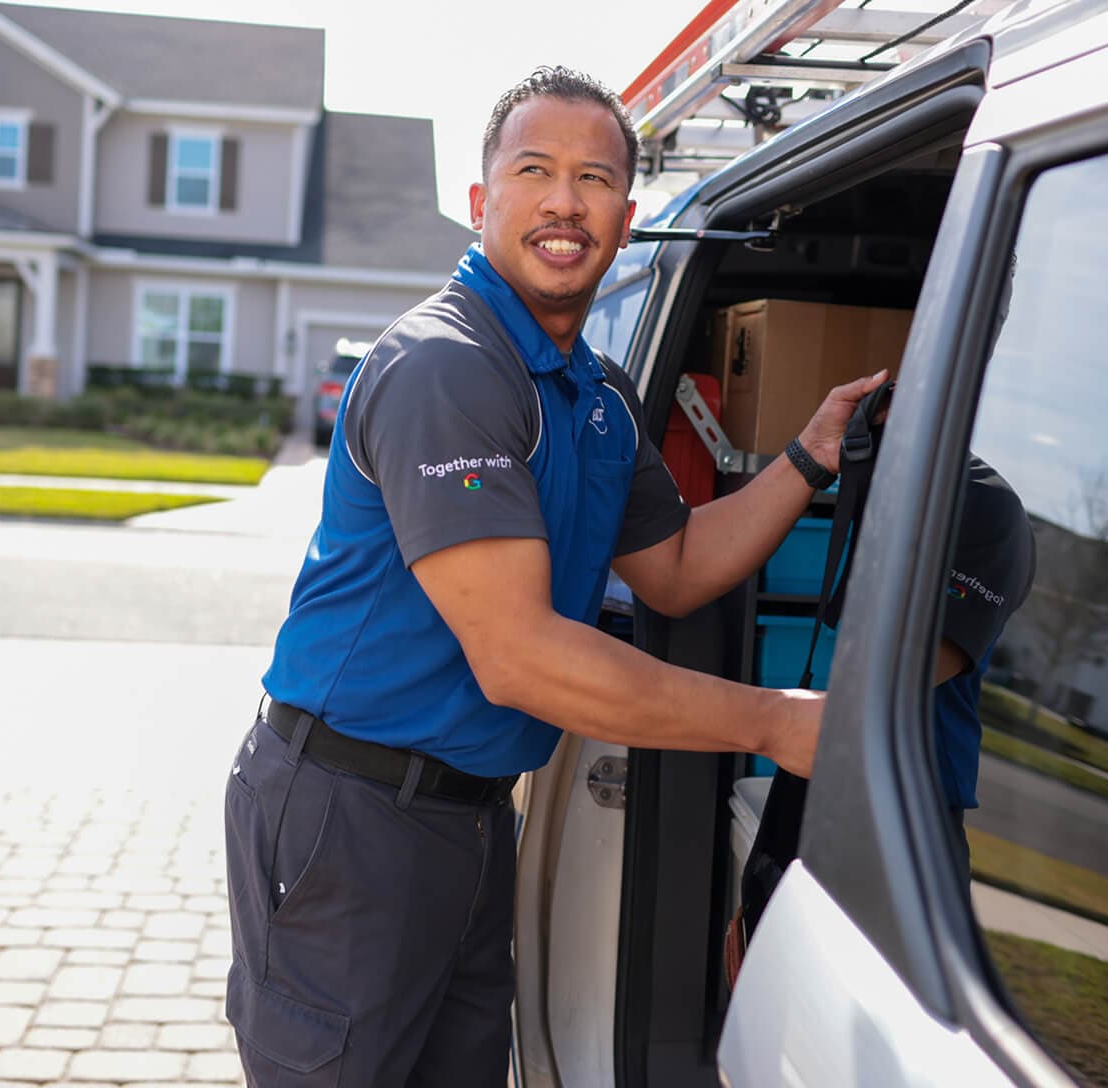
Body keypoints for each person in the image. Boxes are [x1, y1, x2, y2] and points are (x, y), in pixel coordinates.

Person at [222, 66, 887, 1088]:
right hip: (348, 817)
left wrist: (806, 454)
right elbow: (520, 656)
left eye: (593, 178)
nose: (565, 200)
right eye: (535, 171)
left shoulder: (593, 395)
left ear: (625, 218)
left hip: (469, 816)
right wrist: (768, 722)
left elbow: (671, 569)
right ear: (484, 202)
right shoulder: (446, 367)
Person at [932, 454, 1036, 878]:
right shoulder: (860, 475)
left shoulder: (984, 504)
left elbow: (907, 674)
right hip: (819, 767)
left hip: (915, 794)